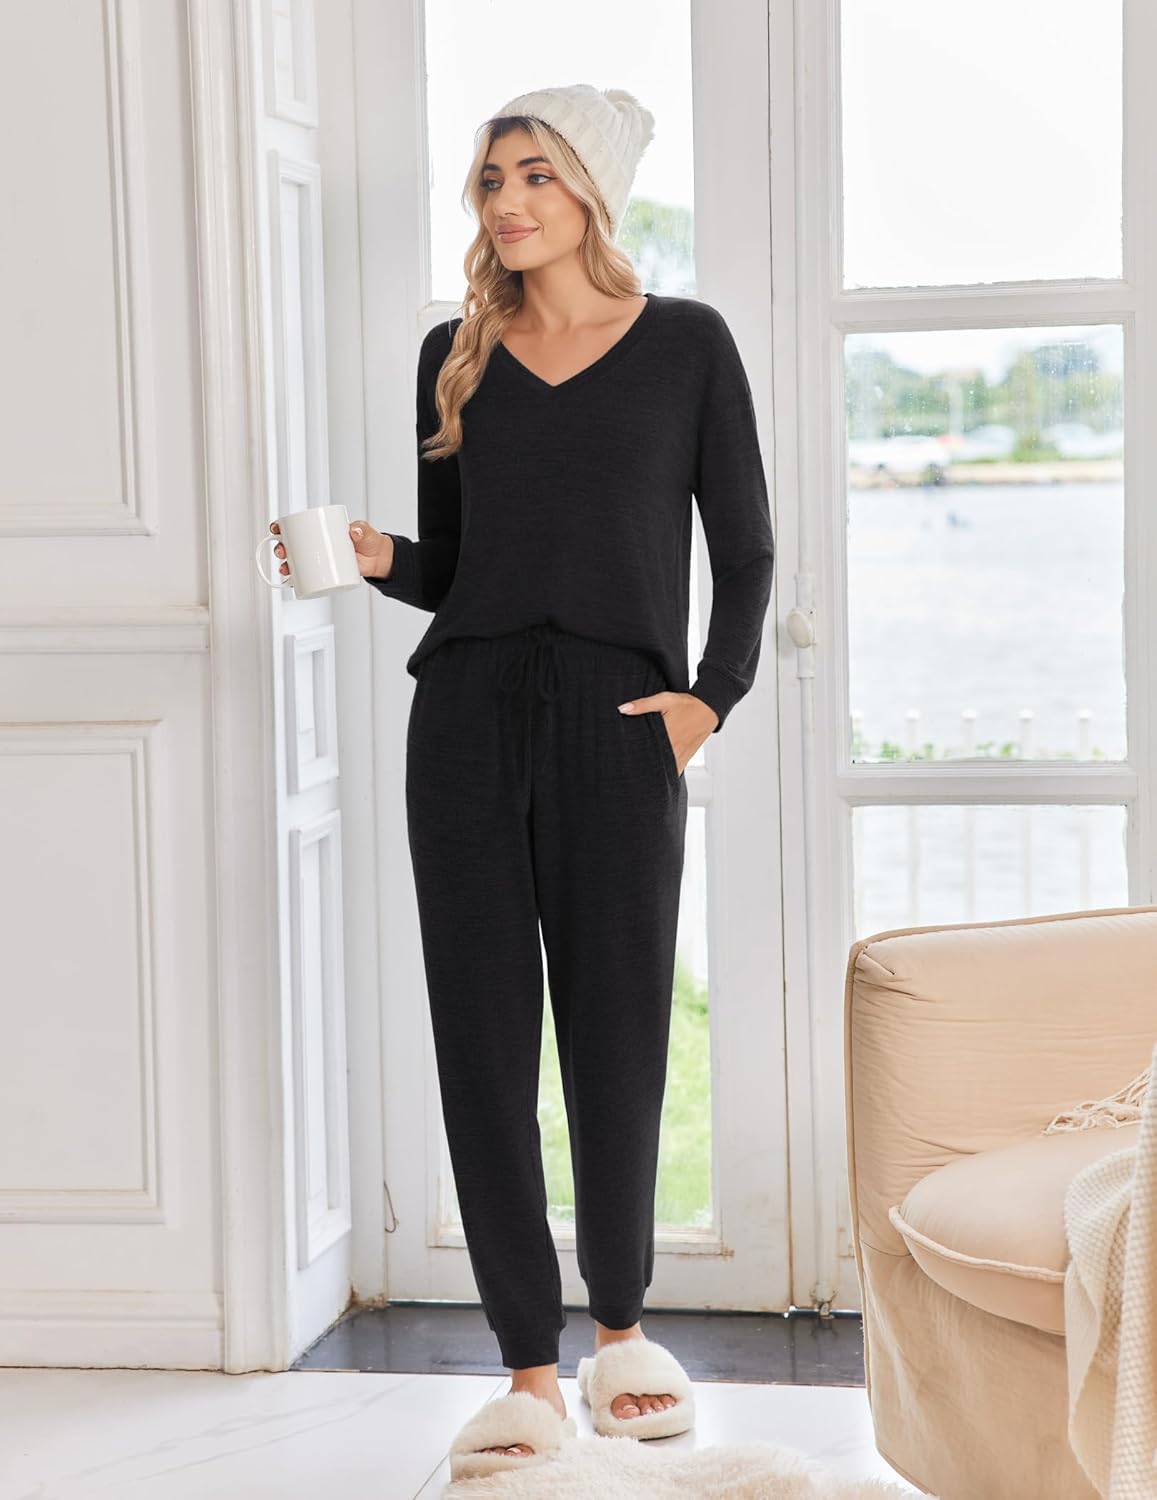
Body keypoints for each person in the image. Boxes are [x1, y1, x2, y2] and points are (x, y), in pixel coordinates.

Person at [271, 82, 774, 1481]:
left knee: (617, 1033)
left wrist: (707, 700)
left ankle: (621, 1333)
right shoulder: (457, 354)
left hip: (620, 721)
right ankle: (526, 1371)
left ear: (592, 190)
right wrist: (378, 558)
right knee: (483, 1042)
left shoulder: (686, 344)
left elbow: (744, 547)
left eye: (536, 174)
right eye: (492, 179)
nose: (507, 201)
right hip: (468, 716)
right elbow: (461, 571)